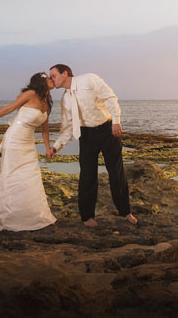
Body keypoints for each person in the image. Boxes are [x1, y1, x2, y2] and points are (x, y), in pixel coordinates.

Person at [48, 64, 137, 228]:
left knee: (116, 172)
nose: (51, 79)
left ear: (65, 73)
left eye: (53, 75)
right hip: (86, 135)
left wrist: (116, 121)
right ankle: (87, 216)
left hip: (107, 129)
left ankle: (126, 212)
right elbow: (67, 127)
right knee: (87, 176)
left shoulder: (89, 79)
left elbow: (110, 98)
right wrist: (56, 146)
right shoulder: (65, 100)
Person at [0, 72, 56, 232]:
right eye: (49, 78)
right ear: (41, 81)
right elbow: (9, 108)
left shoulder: (46, 101)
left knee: (30, 174)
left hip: (28, 142)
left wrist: (47, 147)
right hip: (15, 138)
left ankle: (30, 215)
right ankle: (8, 216)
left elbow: (45, 128)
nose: (52, 80)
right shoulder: (29, 94)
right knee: (12, 174)